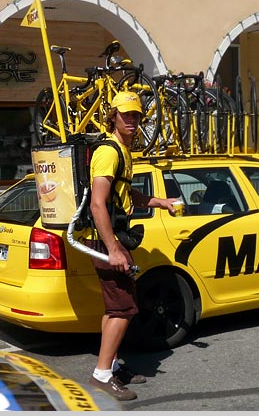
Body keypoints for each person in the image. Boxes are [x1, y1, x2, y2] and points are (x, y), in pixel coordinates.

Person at [87, 91, 179, 400]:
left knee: (114, 307)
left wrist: (160, 202)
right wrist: (113, 248)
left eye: (136, 115)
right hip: (106, 239)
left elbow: (126, 195)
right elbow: (98, 205)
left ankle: (110, 365)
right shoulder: (109, 152)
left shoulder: (124, 152)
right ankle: (102, 375)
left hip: (111, 238)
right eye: (125, 114)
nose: (132, 120)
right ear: (112, 115)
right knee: (124, 308)